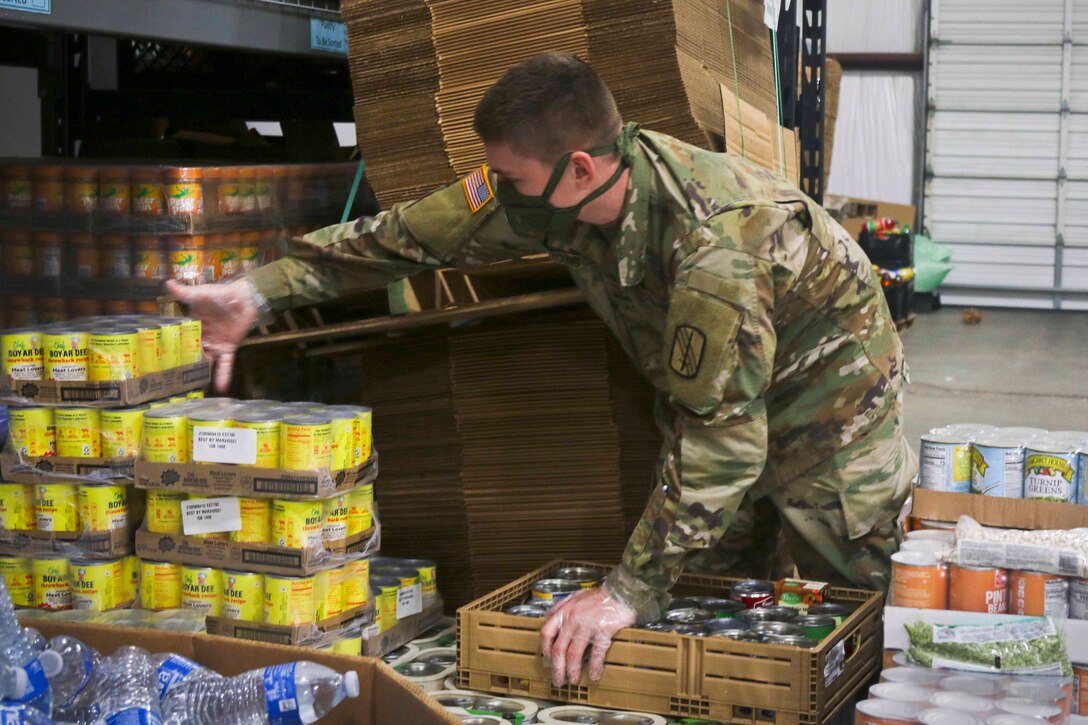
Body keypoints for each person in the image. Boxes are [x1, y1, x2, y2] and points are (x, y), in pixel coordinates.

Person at [168, 51, 916, 688]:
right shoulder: (552, 197)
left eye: (512, 177)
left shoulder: (717, 244)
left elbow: (726, 441)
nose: (499, 191)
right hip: (717, 402)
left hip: (830, 407)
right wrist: (256, 294)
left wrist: (623, 592)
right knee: (713, 606)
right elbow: (406, 237)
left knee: (856, 621)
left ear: (581, 165)